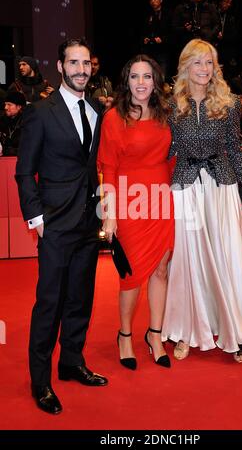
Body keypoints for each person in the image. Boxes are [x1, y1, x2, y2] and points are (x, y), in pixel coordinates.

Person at [162, 39, 242, 364]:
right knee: (189, 260)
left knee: (228, 256)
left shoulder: (230, 102)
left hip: (222, 186)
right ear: (185, 67)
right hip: (186, 187)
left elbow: (235, 147)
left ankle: (238, 329)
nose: (204, 69)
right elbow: (166, 149)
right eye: (197, 63)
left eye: (209, 63)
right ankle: (187, 328)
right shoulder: (171, 104)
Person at [15, 38, 108, 415]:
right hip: (53, 223)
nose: (81, 69)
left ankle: (71, 362)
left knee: (80, 298)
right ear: (60, 66)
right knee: (49, 303)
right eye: (74, 63)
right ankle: (41, 381)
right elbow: (24, 172)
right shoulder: (40, 111)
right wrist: (36, 218)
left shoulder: (98, 109)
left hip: (88, 221)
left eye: (86, 63)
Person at [98, 54, 174, 370]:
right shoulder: (114, 117)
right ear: (126, 81)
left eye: (146, 77)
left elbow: (173, 157)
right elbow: (108, 167)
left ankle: (155, 334)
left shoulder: (166, 114)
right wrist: (109, 212)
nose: (141, 83)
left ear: (155, 81)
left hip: (161, 197)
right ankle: (125, 334)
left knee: (160, 269)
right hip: (129, 200)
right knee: (130, 275)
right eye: (134, 77)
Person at [0, 91, 26, 156]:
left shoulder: (27, 123)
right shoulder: (2, 121)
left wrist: (7, 151)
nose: (5, 107)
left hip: (21, 160)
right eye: (5, 104)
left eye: (9, 104)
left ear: (19, 107)